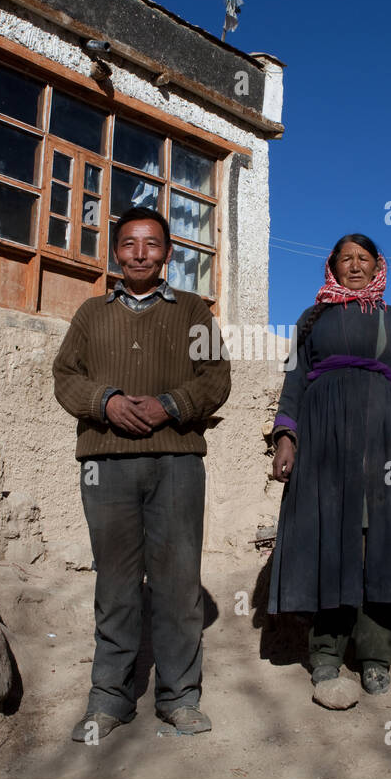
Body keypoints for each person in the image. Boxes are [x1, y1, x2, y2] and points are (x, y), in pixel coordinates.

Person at [52, 206, 231, 742]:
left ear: (168, 253)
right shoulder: (90, 314)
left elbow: (217, 377)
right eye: (129, 244)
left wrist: (171, 406)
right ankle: (111, 695)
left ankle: (179, 697)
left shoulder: (195, 311)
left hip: (176, 460)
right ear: (115, 252)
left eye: (151, 244)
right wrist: (103, 403)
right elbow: (65, 376)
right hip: (105, 462)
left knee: (178, 581)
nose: (139, 254)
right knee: (116, 582)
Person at [268, 234, 391, 705]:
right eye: (346, 259)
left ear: (377, 266)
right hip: (324, 442)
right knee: (329, 540)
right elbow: (294, 380)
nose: (355, 267)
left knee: (378, 544)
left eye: (364, 259)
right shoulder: (313, 318)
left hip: (385, 442)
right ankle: (325, 655)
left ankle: (376, 658)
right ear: (332, 266)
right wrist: (286, 436)